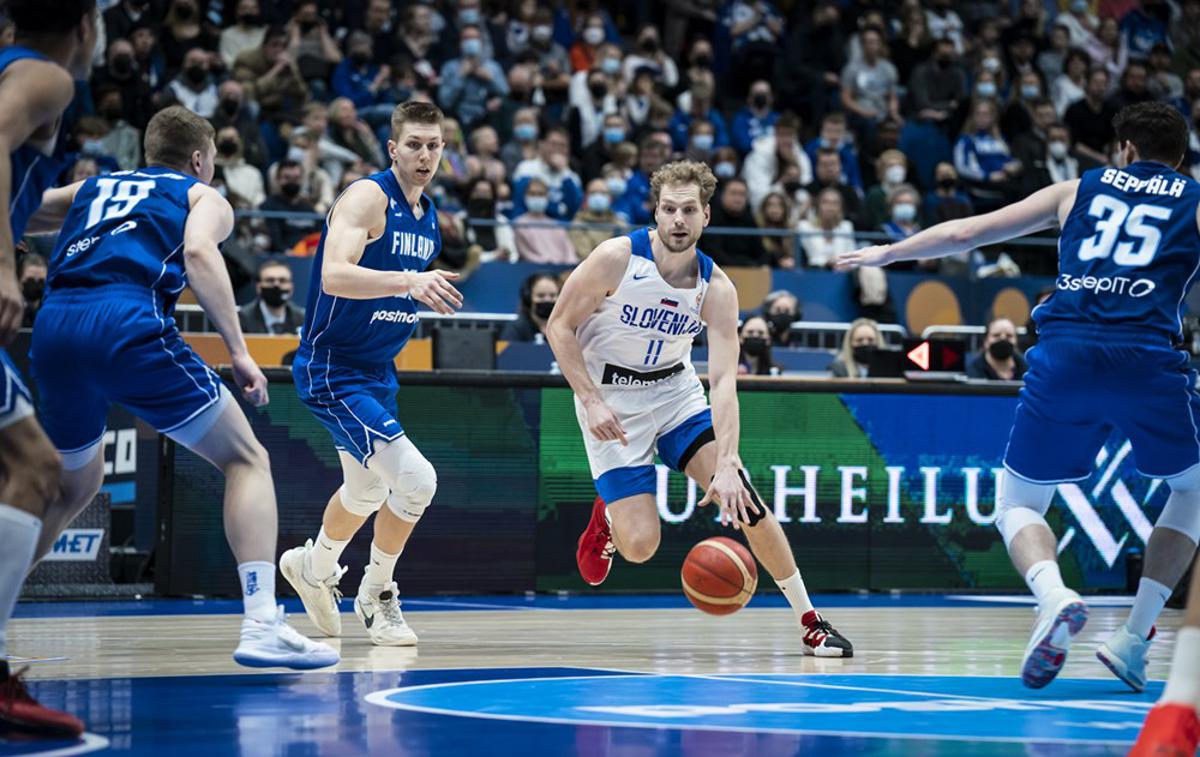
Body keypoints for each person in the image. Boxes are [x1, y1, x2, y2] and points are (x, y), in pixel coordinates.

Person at [836, 103, 1200, 701]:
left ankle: (1054, 596)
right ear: (1179, 159)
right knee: (1190, 489)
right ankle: (1134, 637)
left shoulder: (1076, 188)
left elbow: (965, 232)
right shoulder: (1192, 198)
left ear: (1125, 150)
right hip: (1147, 357)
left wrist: (884, 254)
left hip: (1066, 350)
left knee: (1018, 501)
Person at [30, 106, 339, 676]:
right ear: (201, 159)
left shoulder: (95, 187)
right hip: (126, 321)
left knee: (75, 483)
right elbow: (199, 254)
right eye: (214, 162)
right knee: (246, 458)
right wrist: (240, 351)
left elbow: (19, 210)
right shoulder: (203, 196)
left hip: (52, 328)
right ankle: (262, 623)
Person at [547, 160, 852, 657]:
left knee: (746, 501)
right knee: (641, 546)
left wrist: (729, 463)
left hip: (674, 394)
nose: (678, 220)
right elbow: (559, 326)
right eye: (669, 209)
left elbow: (725, 381)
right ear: (656, 211)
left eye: (689, 210)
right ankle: (607, 515)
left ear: (706, 216)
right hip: (611, 399)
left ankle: (811, 620)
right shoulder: (615, 259)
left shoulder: (718, 289)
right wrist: (590, 399)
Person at [279, 101, 463, 648]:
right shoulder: (367, 196)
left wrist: (412, 285)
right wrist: (410, 281)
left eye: (434, 145)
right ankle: (376, 592)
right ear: (392, 148)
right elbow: (334, 275)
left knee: (363, 491)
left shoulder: (429, 214)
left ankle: (313, 567)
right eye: (414, 144)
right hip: (333, 367)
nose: (425, 154)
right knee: (417, 480)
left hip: (376, 371)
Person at [0, 0, 97, 739]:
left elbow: (20, 196)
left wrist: (77, 205)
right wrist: (3, 265)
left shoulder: (14, 68)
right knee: (39, 466)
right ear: (86, 26)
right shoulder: (49, 77)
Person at [238, 258, 304, 335]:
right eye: (270, 280)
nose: (276, 285)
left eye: (282, 280)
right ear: (258, 287)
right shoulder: (242, 320)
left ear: (291, 287)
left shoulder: (303, 320)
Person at [500, 272, 559, 342]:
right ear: (528, 298)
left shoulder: (566, 328)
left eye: (552, 295)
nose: (547, 300)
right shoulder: (515, 329)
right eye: (541, 296)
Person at [18, 252, 48, 327]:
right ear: (18, 280)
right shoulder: (7, 311)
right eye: (30, 281)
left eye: (41, 281)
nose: (36, 286)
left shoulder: (50, 313)